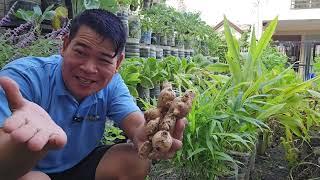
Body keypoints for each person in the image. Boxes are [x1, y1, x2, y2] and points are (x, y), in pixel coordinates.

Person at [0, 9, 186, 180]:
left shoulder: (112, 84)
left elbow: (137, 125)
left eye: (104, 60)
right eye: (80, 52)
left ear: (118, 63)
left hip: (79, 165)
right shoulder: (23, 77)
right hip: (27, 170)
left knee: (135, 160)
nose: (89, 68)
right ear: (64, 45)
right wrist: (24, 143)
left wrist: (152, 135)